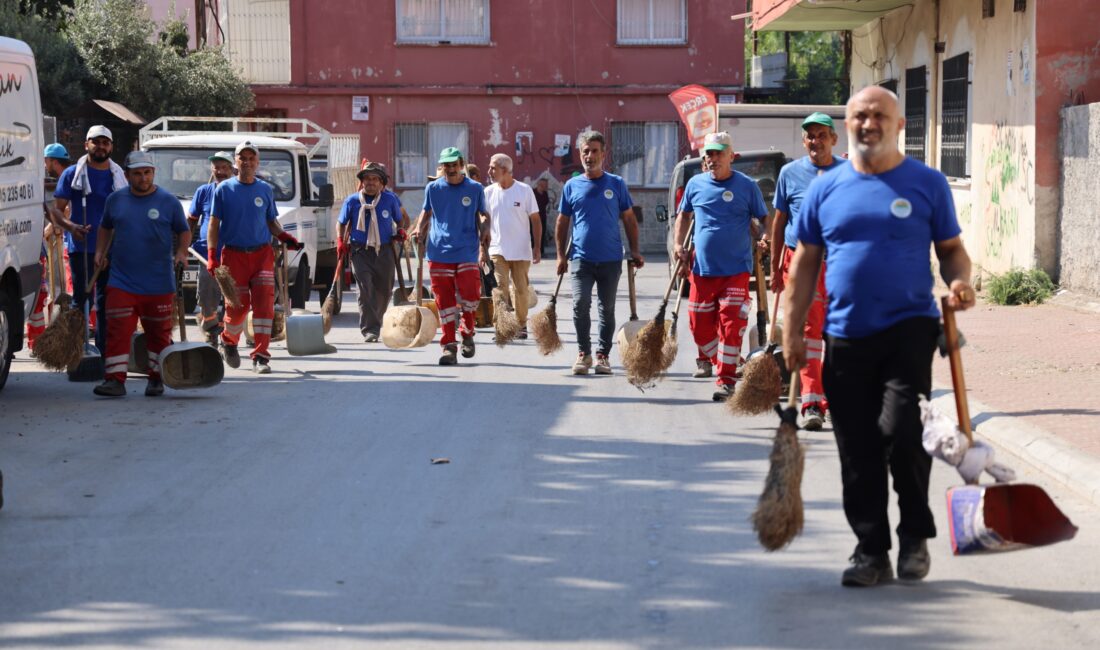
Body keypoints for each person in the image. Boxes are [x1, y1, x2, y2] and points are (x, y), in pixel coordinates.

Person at [784, 86, 976, 587]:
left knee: (903, 432)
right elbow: (804, 264)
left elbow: (952, 249)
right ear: (848, 124)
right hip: (845, 335)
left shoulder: (927, 183)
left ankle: (915, 535)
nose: (868, 123)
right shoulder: (826, 188)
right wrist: (790, 329)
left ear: (900, 126)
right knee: (857, 448)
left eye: (878, 116)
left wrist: (959, 281)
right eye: (859, 116)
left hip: (908, 329)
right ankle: (871, 550)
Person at [673, 132, 769, 401]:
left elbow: (763, 218)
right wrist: (678, 244)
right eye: (709, 154)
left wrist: (764, 236)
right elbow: (684, 216)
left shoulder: (747, 186)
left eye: (718, 153)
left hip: (736, 269)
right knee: (699, 327)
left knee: (731, 323)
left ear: (731, 156)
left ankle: (725, 380)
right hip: (702, 270)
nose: (713, 158)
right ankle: (729, 361)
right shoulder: (695, 184)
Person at [768, 113, 849, 429]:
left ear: (833, 139)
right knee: (809, 333)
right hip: (802, 263)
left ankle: (836, 396)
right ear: (804, 142)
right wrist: (775, 266)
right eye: (810, 136)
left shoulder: (849, 172)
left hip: (842, 263)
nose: (815, 141)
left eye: (821, 135)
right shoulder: (790, 173)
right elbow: (779, 221)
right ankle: (813, 402)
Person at [91, 151, 191, 397]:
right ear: (127, 175)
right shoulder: (115, 200)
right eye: (137, 174)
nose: (143, 178)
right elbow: (105, 227)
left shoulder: (169, 201)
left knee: (158, 335)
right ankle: (114, 380)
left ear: (153, 173)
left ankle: (156, 379)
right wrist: (99, 252)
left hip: (159, 282)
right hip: (122, 280)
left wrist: (181, 252)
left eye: (147, 173)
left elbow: (183, 230)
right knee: (117, 331)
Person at [207, 140, 303, 374]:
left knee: (264, 307)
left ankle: (261, 356)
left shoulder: (264, 190)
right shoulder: (224, 189)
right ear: (236, 162)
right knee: (237, 308)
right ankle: (228, 341)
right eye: (243, 158)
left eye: (251, 159)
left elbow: (271, 221)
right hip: (233, 256)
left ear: (257, 163)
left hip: (261, 254)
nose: (247, 162)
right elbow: (213, 224)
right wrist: (212, 255)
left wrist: (285, 236)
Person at [556, 130, 644, 375]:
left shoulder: (616, 184)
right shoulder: (572, 186)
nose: (590, 155)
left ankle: (602, 356)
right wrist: (561, 256)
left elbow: (629, 219)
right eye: (585, 151)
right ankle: (583, 353)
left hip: (610, 258)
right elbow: (562, 221)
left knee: (607, 308)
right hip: (581, 258)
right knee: (580, 303)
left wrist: (635, 250)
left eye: (595, 151)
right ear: (580, 153)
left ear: (603, 154)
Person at [54, 125, 127, 354]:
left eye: (105, 142)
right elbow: (57, 211)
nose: (101, 146)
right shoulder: (72, 173)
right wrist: (71, 226)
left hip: (111, 249)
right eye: (96, 142)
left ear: (111, 147)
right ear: (87, 144)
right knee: (81, 300)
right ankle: (76, 352)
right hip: (82, 247)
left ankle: (105, 354)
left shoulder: (119, 176)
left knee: (107, 303)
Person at [416, 147, 490, 365]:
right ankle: (449, 346)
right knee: (444, 303)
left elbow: (483, 214)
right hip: (439, 251)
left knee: (471, 296)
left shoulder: (475, 188)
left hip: (466, 250)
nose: (450, 169)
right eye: (445, 165)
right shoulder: (433, 188)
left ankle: (467, 332)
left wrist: (486, 228)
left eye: (453, 165)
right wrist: (419, 229)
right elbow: (426, 212)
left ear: (461, 164)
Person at [337, 161, 404, 342]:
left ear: (381, 183)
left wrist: (400, 231)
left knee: (385, 289)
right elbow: (341, 223)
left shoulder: (389, 200)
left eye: (375, 179)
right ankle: (370, 329)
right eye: (367, 179)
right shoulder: (352, 201)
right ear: (362, 182)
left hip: (385, 250)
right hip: (360, 251)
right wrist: (340, 241)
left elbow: (400, 219)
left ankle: (376, 320)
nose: (371, 182)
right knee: (365, 288)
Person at [485, 153, 541, 338]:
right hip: (496, 249)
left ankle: (521, 325)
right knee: (499, 288)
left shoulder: (524, 190)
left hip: (521, 250)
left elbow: (536, 220)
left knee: (520, 290)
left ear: (505, 170)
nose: (489, 171)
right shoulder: (488, 192)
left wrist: (537, 247)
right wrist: (481, 248)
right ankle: (501, 325)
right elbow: (483, 221)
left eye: (493, 167)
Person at [188, 151, 235, 345]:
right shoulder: (203, 192)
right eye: (217, 167)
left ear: (232, 169)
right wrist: (184, 246)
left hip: (234, 253)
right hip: (207, 255)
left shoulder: (237, 190)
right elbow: (191, 220)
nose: (220, 171)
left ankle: (229, 334)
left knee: (233, 297)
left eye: (224, 167)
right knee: (207, 295)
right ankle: (210, 329)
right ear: (211, 169)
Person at [533, 177, 551, 255]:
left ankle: (541, 251)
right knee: (533, 234)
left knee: (542, 234)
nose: (547, 186)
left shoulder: (545, 194)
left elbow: (546, 203)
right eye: (546, 185)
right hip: (533, 218)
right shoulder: (533, 193)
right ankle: (533, 251)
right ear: (540, 185)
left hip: (542, 217)